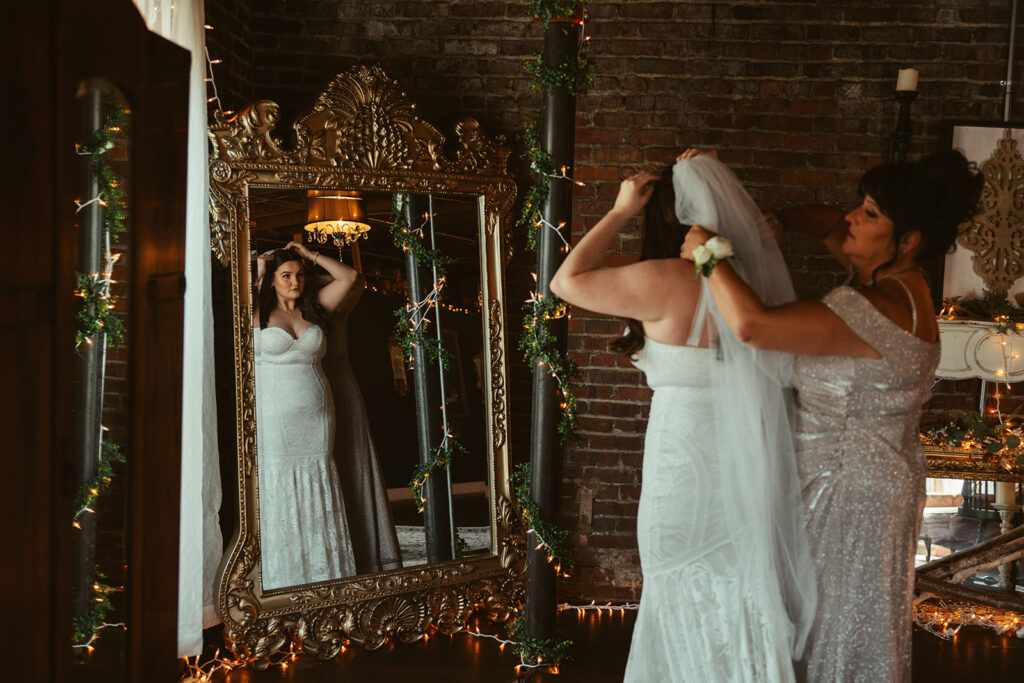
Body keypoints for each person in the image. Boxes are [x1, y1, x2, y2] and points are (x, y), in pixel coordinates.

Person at [680, 149, 983, 682]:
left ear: (907, 239)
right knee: (856, 620)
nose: (850, 219)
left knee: (832, 621)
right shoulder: (906, 289)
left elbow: (751, 325)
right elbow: (830, 225)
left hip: (845, 489)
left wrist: (706, 254)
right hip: (882, 478)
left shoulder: (867, 310)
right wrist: (787, 220)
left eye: (870, 214)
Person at [550, 156, 816, 682]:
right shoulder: (750, 280)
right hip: (748, 465)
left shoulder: (665, 279)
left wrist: (620, 210)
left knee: (676, 584)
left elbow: (565, 281)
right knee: (742, 588)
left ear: (662, 215)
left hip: (681, 472)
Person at [254, 242, 360, 588]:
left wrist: (308, 254)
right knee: (280, 483)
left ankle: (327, 577)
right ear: (272, 280)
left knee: (320, 478)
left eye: (300, 275)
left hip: (318, 418)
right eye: (286, 275)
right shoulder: (255, 311)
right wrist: (257, 275)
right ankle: (284, 581)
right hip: (275, 418)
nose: (295, 282)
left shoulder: (315, 309)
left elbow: (349, 275)